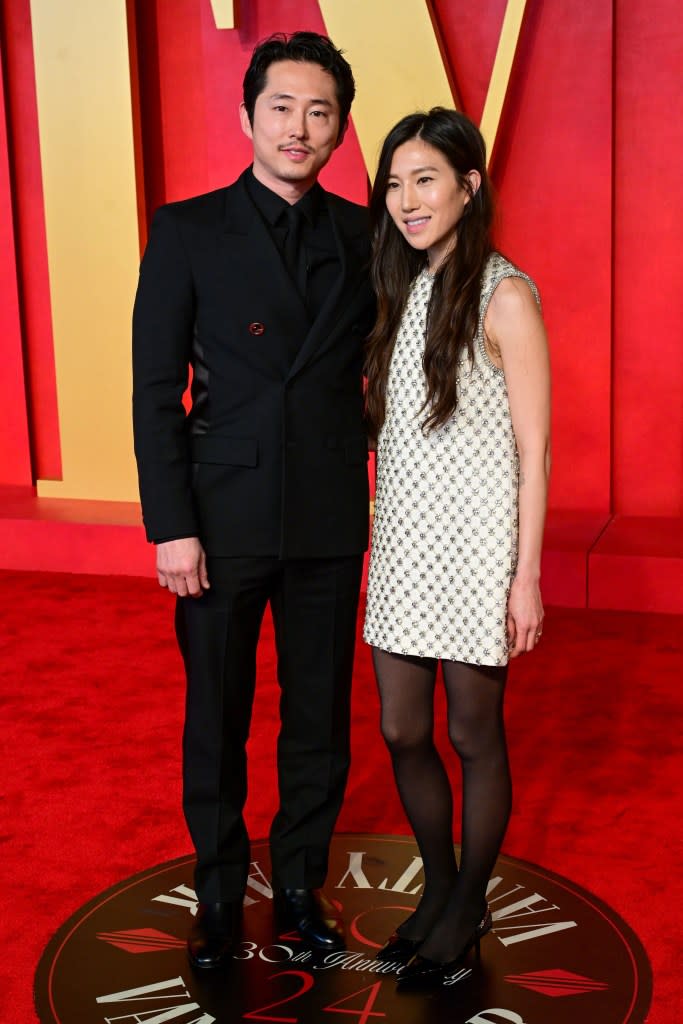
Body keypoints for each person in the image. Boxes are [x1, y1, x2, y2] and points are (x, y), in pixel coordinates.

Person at [132, 31, 374, 970]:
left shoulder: (364, 234)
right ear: (247, 115)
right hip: (220, 518)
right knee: (217, 716)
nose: (299, 127)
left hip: (325, 514)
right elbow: (156, 391)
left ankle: (303, 889)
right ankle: (221, 898)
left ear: (339, 128)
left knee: (318, 713)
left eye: (320, 112)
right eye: (282, 107)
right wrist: (172, 526)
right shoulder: (186, 230)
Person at [363, 107, 551, 990]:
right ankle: (442, 888)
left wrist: (527, 577)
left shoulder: (504, 292)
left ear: (468, 186)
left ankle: (466, 902)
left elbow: (533, 449)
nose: (406, 198)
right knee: (402, 729)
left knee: (472, 734)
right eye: (395, 183)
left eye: (425, 178)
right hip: (402, 541)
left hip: (478, 549)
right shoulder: (399, 285)